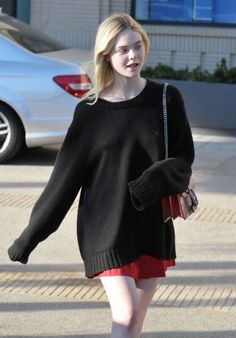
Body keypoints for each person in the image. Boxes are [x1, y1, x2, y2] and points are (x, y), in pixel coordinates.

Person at [8, 13, 194, 338]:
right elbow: (63, 181)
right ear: (106, 54)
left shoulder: (166, 98)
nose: (133, 56)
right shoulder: (90, 111)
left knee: (134, 322)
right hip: (105, 227)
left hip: (151, 225)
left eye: (138, 46)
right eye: (123, 50)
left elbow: (183, 158)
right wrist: (30, 237)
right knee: (127, 313)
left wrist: (153, 179)